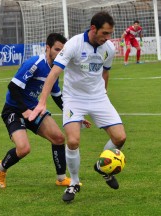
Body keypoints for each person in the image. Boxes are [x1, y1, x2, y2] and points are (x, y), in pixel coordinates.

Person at [29, 11, 126, 202]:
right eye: (105, 33)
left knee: (120, 138)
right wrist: (42, 101)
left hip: (99, 98)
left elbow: (105, 73)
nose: (108, 38)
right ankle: (74, 183)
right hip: (74, 99)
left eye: (109, 34)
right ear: (93, 29)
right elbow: (54, 73)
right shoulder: (74, 44)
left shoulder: (108, 49)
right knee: (72, 141)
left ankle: (101, 165)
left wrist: (104, 97)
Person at [0, 33, 90, 189]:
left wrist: (75, 116)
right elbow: (13, 87)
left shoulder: (55, 69)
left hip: (34, 109)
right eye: (57, 49)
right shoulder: (35, 63)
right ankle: (1, 168)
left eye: (62, 50)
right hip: (14, 109)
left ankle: (61, 179)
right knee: (24, 149)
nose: (60, 53)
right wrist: (24, 110)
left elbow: (58, 97)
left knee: (59, 138)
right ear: (48, 48)